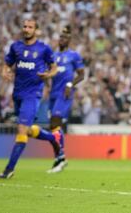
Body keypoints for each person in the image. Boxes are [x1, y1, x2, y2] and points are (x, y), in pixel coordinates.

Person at [0, 19, 60, 179]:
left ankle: (9, 169)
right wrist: (5, 71)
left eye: (30, 27)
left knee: (22, 129)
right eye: (24, 26)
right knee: (28, 129)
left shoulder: (43, 48)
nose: (26, 29)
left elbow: (54, 68)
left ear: (36, 30)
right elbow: (7, 63)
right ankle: (52, 138)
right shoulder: (16, 46)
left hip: (32, 95)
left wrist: (48, 74)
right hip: (17, 93)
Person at [47, 26, 85, 173]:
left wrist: (70, 84)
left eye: (64, 37)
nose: (61, 39)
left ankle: (61, 157)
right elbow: (49, 72)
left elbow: (81, 75)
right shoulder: (53, 56)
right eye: (60, 37)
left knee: (55, 120)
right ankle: (59, 158)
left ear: (69, 40)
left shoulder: (74, 56)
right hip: (53, 94)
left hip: (65, 93)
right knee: (53, 126)